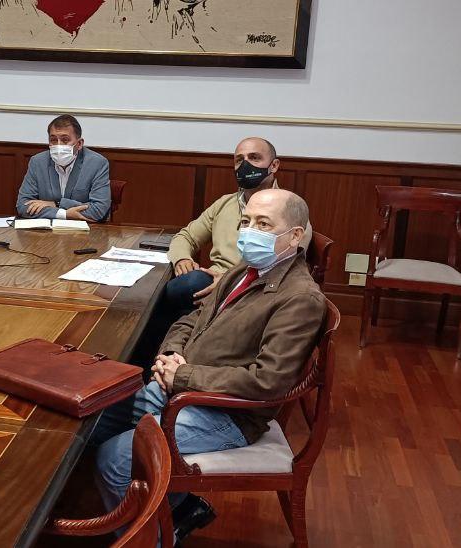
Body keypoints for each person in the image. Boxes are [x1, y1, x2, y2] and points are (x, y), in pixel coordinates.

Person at [93, 188, 326, 543]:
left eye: (263, 224)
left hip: (225, 414)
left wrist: (182, 375)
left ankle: (148, 538)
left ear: (295, 236)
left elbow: (269, 381)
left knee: (113, 459)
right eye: (246, 221)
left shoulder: (300, 299)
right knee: (90, 422)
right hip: (185, 388)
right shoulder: (244, 270)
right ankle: (170, 511)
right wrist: (169, 356)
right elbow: (191, 318)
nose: (249, 232)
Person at [159, 137, 313, 330]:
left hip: (255, 288)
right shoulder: (224, 204)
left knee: (184, 288)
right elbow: (186, 236)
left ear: (273, 165)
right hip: (211, 281)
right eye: (239, 160)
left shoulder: (290, 210)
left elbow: (285, 268)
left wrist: (227, 283)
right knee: (165, 291)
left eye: (254, 158)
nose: (245, 165)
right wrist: (182, 259)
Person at [15, 114, 111, 221]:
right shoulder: (38, 162)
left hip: (86, 232)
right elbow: (23, 206)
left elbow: (98, 210)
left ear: (79, 144)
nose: (58, 145)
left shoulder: (96, 163)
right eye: (53, 140)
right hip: (46, 233)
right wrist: (63, 214)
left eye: (65, 140)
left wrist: (57, 204)